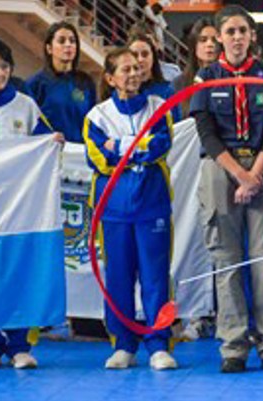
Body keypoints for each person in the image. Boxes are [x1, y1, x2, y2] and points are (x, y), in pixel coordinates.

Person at [189, 5, 263, 373]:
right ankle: (233, 344)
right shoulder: (206, 78)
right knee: (226, 259)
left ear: (252, 36)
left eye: (243, 31)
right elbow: (206, 133)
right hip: (221, 169)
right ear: (219, 37)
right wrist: (238, 175)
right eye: (230, 31)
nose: (236, 37)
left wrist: (255, 174)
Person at [83, 48, 176, 370]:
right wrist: (138, 144)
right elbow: (99, 159)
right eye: (126, 69)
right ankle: (123, 344)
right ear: (110, 78)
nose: (134, 74)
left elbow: (161, 146)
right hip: (114, 209)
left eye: (137, 68)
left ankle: (158, 343)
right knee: (119, 278)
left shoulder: (159, 107)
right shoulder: (96, 116)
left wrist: (121, 145)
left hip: (152, 205)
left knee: (155, 277)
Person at [0, 39, 61, 370]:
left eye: (4, 67)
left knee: (19, 271)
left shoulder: (25, 105)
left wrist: (53, 141)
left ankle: (19, 345)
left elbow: (44, 139)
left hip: (20, 211)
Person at [26, 22, 96, 143]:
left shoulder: (86, 82)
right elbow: (29, 123)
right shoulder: (35, 84)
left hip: (80, 153)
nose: (68, 45)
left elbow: (93, 120)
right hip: (50, 152)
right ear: (49, 48)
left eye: (72, 41)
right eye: (62, 41)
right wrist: (47, 137)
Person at [128, 33, 180, 120]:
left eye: (145, 54)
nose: (140, 59)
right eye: (135, 55)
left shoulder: (168, 91)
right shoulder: (121, 92)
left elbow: (175, 127)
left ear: (153, 57)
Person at [172, 17, 218, 115]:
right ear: (194, 45)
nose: (210, 44)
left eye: (215, 40)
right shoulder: (179, 83)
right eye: (203, 40)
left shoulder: (230, 80)